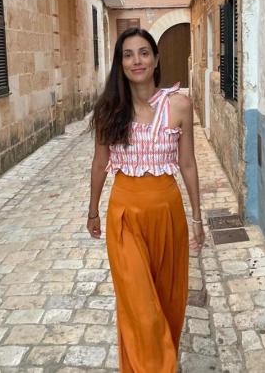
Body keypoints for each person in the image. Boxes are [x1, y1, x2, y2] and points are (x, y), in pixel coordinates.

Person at [87, 27, 205, 373]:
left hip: (168, 213)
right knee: (140, 308)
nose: (136, 60)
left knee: (168, 300)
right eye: (127, 54)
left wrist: (197, 217)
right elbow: (100, 163)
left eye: (143, 53)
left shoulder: (179, 105)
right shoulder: (109, 110)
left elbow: (187, 163)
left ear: (155, 59)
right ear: (120, 64)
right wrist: (93, 211)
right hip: (124, 215)